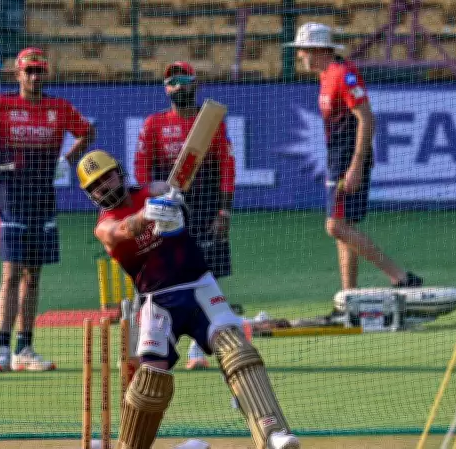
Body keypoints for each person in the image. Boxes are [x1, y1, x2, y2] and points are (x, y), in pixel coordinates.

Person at [76, 150, 300, 449]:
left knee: (237, 351)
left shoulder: (152, 191)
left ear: (119, 172)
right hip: (157, 301)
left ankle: (271, 433)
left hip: (200, 287)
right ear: (90, 195)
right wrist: (148, 214)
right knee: (150, 380)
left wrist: (173, 201)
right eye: (95, 186)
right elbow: (121, 230)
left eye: (107, 177)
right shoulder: (104, 226)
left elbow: (166, 189)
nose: (104, 187)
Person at [0, 47, 96, 372]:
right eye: (29, 71)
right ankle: (1, 348)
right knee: (11, 273)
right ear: (17, 74)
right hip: (10, 197)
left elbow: (87, 132)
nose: (34, 77)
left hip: (43, 198)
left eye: (39, 71)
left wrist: (66, 161)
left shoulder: (59, 107)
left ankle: (24, 348)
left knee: (33, 276)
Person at [284, 23, 423, 324]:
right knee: (344, 228)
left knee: (335, 226)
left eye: (303, 50)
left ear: (319, 50)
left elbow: (367, 118)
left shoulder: (343, 74)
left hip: (348, 159)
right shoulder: (325, 75)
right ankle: (349, 300)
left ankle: (400, 277)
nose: (301, 56)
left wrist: (357, 164)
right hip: (337, 158)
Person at [134, 61, 236, 370]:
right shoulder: (154, 124)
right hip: (167, 209)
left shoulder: (211, 122)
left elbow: (227, 167)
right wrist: (150, 203)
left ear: (195, 84)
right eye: (172, 81)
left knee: (207, 272)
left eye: (184, 79)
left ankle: (198, 346)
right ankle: (157, 343)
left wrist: (224, 210)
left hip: (205, 205)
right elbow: (141, 168)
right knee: (164, 274)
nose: (178, 86)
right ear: (166, 89)